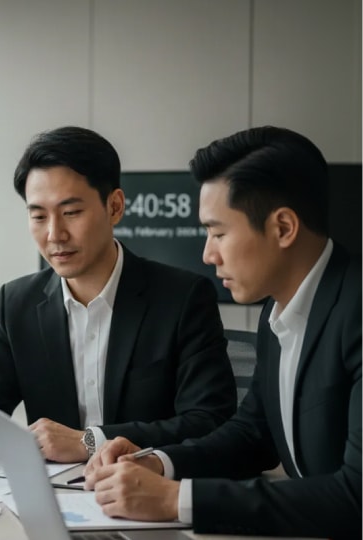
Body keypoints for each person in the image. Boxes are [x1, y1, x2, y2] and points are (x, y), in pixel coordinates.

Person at [84, 126, 361, 539]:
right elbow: (252, 435)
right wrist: (158, 462)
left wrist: (174, 500)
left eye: (218, 232)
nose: (207, 254)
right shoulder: (278, 310)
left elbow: (356, 498)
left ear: (283, 227)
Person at [0, 126, 237, 468]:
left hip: (145, 487)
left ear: (114, 207)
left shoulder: (181, 298)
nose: (55, 234)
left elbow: (208, 420)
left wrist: (90, 441)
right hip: (53, 494)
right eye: (38, 216)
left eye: (71, 213)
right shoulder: (18, 302)